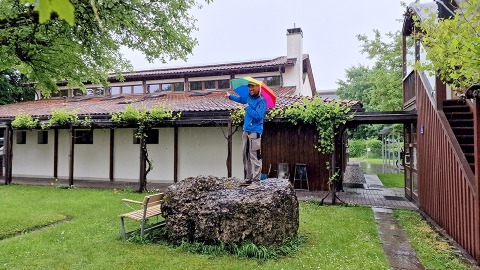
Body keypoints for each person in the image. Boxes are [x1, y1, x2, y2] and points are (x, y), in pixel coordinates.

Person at [227, 81, 267, 190]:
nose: (251, 89)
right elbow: (240, 100)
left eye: (253, 87)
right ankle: (248, 179)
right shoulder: (248, 98)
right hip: (246, 131)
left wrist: (248, 108)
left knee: (255, 156)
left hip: (255, 132)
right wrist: (230, 96)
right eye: (249, 87)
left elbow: (259, 116)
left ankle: (256, 182)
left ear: (258, 88)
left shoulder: (261, 101)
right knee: (245, 155)